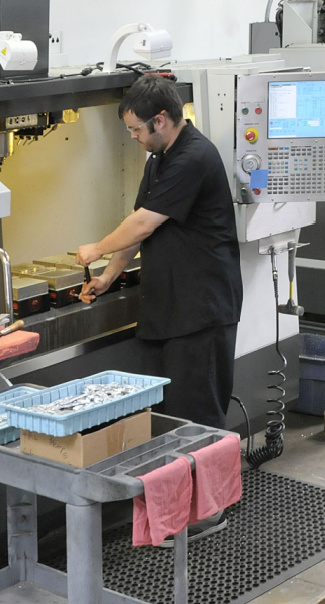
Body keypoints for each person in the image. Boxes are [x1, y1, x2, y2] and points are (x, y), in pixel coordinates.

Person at [77, 75, 243, 536]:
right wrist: (108, 276)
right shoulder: (160, 157)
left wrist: (94, 250)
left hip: (202, 310)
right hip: (172, 309)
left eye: (136, 130)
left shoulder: (194, 156)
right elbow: (140, 227)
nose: (133, 138)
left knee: (201, 418)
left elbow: (143, 222)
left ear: (162, 119)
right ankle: (176, 511)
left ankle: (210, 512)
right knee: (172, 418)